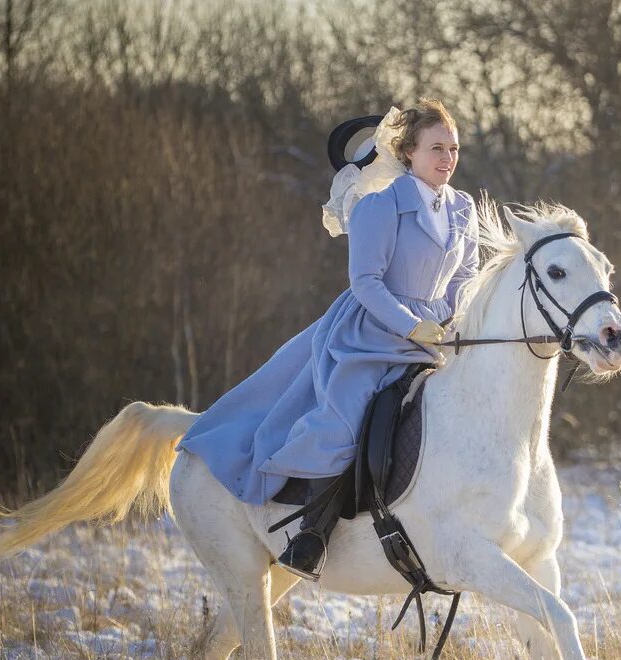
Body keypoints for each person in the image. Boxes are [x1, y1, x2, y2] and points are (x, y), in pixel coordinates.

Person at [176, 99, 479, 581]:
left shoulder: (463, 209)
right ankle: (310, 534)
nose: (447, 157)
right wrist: (411, 324)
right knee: (344, 425)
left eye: (454, 148)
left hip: (437, 335)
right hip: (372, 333)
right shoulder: (381, 206)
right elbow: (366, 282)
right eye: (436, 147)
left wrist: (449, 318)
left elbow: (467, 276)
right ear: (407, 152)